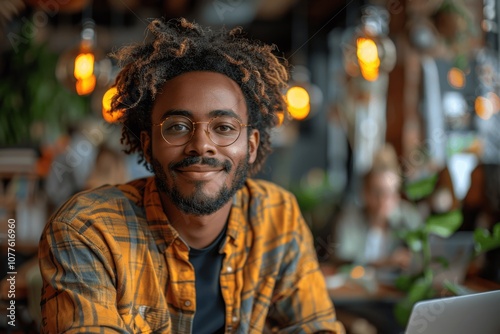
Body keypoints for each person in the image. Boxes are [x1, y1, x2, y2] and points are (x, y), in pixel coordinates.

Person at [38, 18, 345, 333]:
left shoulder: (277, 215)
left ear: (251, 146)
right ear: (148, 145)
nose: (201, 145)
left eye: (224, 128)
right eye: (178, 127)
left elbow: (316, 326)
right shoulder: (89, 230)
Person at [325, 144, 422, 270]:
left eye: (390, 193)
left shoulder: (409, 217)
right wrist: (384, 263)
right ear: (364, 192)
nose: (384, 200)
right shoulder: (350, 218)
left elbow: (421, 258)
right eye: (377, 192)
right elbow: (341, 261)